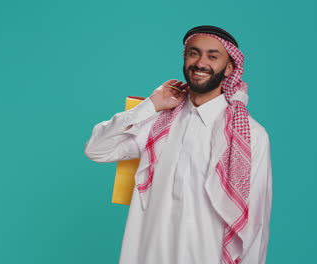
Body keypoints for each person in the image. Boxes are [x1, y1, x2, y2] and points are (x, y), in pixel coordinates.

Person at [84, 25, 272, 264]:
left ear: (230, 68)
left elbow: (255, 223)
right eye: (194, 53)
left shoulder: (250, 136)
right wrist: (150, 105)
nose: (201, 63)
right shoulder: (157, 119)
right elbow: (96, 149)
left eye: (213, 56)